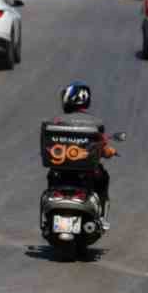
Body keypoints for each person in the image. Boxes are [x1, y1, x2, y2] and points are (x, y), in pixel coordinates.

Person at [51, 80, 115, 215]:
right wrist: (109, 152)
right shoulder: (96, 123)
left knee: (51, 175)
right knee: (103, 178)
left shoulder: (56, 121)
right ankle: (101, 215)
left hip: (60, 170)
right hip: (88, 172)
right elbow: (103, 147)